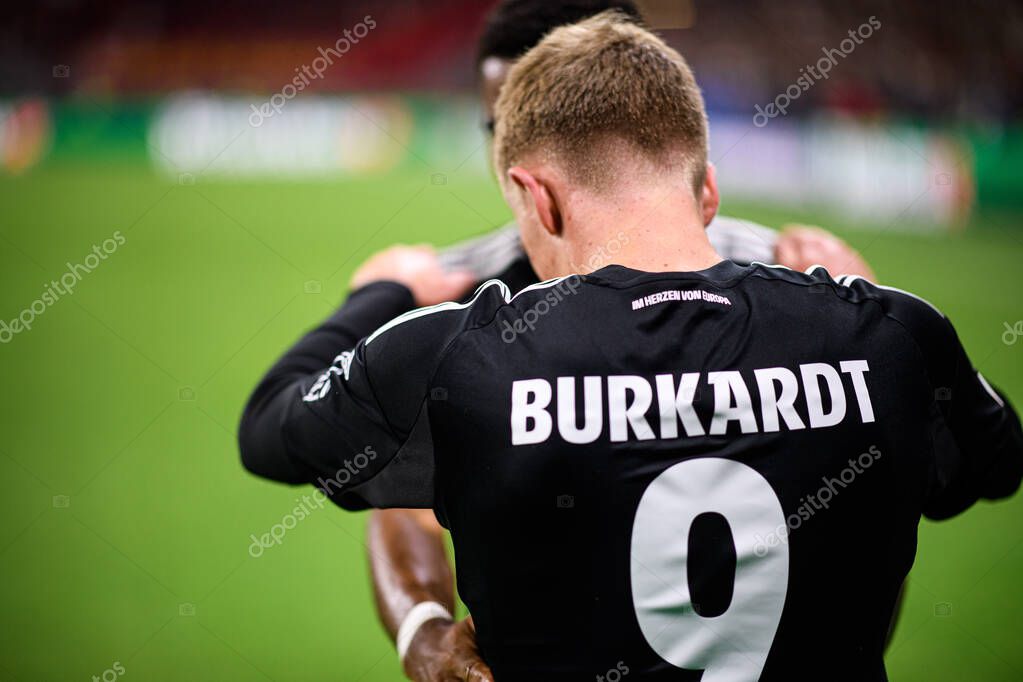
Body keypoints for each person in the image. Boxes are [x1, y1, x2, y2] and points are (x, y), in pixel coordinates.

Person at [239, 12, 1022, 680]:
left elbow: (270, 431)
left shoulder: (454, 357)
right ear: (707, 189)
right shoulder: (892, 336)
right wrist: (862, 301)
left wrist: (378, 292)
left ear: (538, 199)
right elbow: (988, 466)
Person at [374, 2, 874, 676]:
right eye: (500, 126)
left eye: (554, 118)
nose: (514, 155)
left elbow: (888, 490)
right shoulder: (455, 296)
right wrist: (424, 636)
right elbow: (405, 506)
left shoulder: (794, 287)